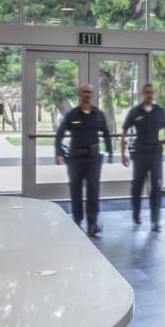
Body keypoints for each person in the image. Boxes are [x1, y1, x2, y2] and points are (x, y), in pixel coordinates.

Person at [54, 84, 114, 236]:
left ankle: (92, 223)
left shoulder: (98, 114)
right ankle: (78, 219)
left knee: (93, 190)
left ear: (92, 94)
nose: (87, 94)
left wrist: (110, 152)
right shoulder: (71, 115)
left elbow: (106, 133)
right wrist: (59, 153)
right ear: (80, 93)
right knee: (76, 190)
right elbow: (60, 135)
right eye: (85, 92)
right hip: (74, 159)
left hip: (93, 159)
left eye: (90, 92)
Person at [122, 82, 165, 231]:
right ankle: (136, 213)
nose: (150, 95)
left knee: (156, 187)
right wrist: (123, 155)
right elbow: (124, 131)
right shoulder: (135, 112)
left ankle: (155, 221)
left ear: (154, 94)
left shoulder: (159, 111)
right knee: (137, 185)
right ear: (143, 94)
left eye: (152, 92)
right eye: (147, 92)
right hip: (140, 154)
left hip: (155, 153)